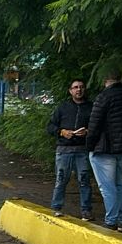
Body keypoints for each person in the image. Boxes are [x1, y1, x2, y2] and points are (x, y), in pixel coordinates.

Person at [86, 72, 122, 232]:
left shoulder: (103, 97)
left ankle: (111, 220)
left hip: (104, 148)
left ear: (105, 80)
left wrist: (89, 146)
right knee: (121, 185)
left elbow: (94, 124)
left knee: (107, 186)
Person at [46, 78, 94, 219]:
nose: (78, 89)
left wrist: (87, 131)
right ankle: (57, 207)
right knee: (61, 179)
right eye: (75, 87)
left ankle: (86, 210)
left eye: (81, 87)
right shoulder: (63, 107)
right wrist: (62, 132)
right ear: (70, 91)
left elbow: (98, 126)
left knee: (84, 180)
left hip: (82, 149)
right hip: (64, 149)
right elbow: (50, 126)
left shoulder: (91, 107)